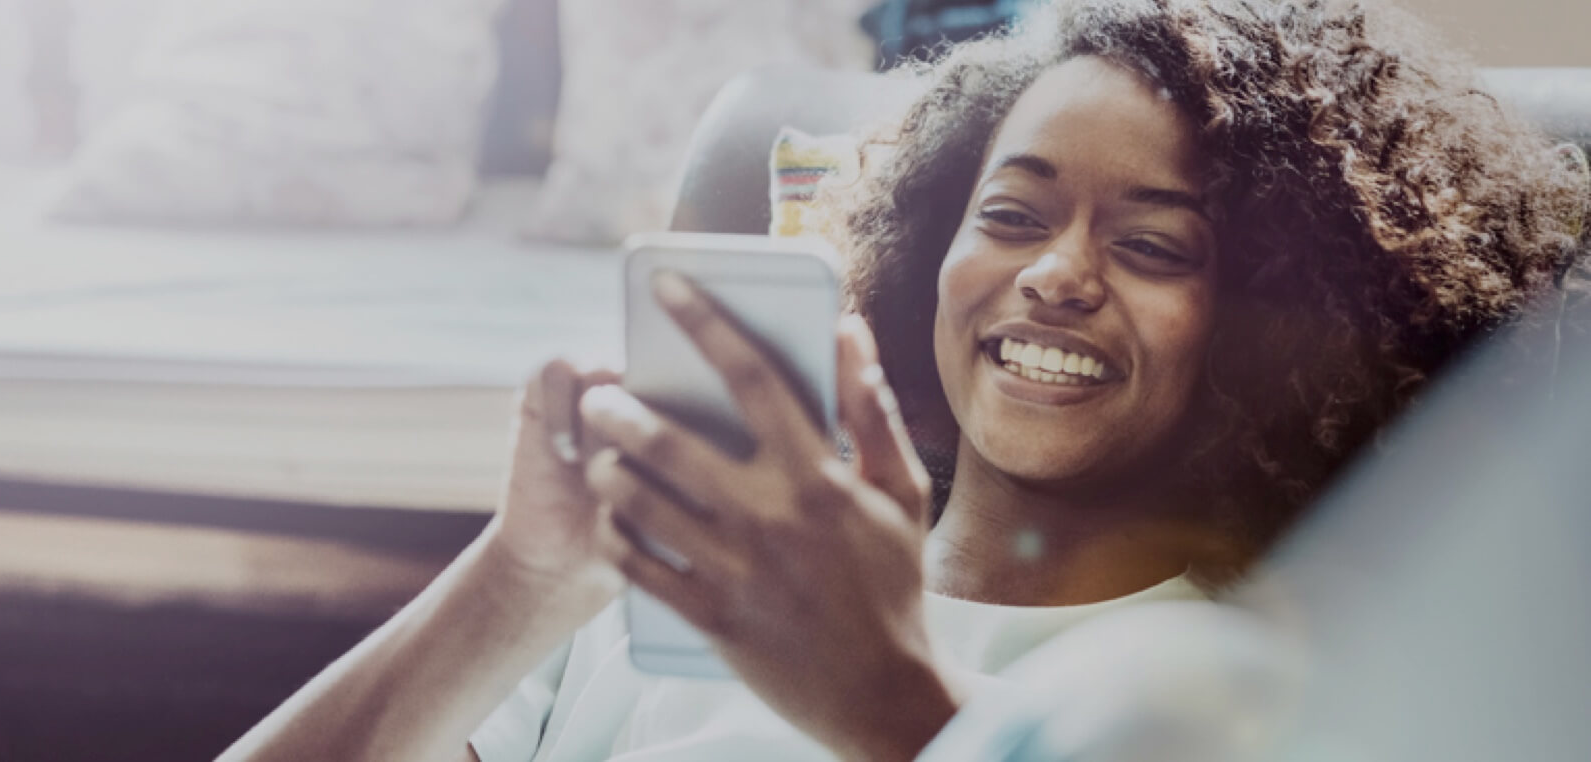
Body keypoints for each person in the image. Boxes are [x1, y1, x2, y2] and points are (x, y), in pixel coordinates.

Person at [218, 1, 1588, 760]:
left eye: (1152, 242)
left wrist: (882, 697)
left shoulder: (1260, 684)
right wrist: (522, 579)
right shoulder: (674, 595)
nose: (1054, 273)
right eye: (1009, 215)